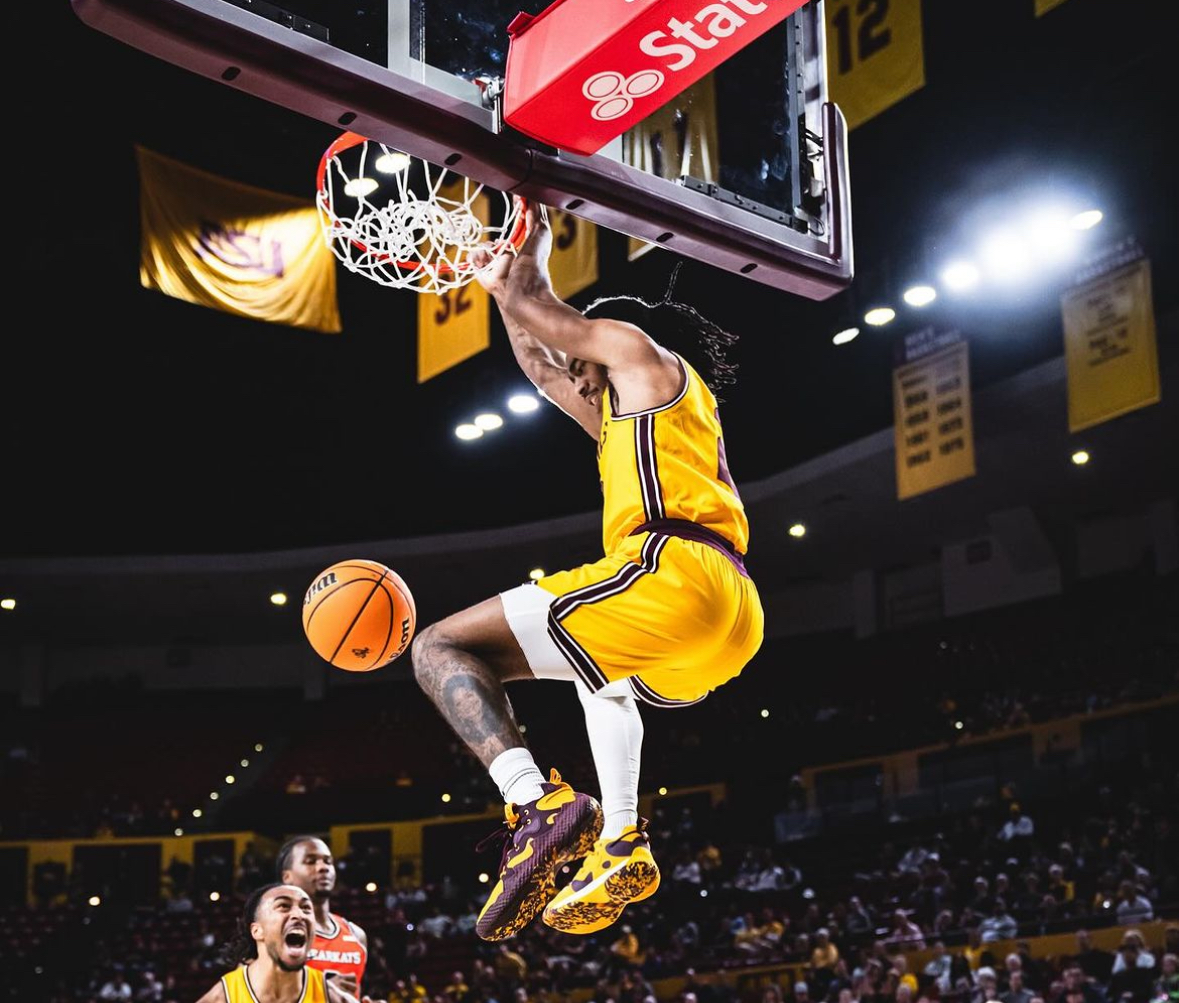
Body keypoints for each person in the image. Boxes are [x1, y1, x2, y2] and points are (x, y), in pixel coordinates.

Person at [411, 204, 764, 941]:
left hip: (674, 571)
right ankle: (623, 840)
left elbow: (543, 313)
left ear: (602, 338)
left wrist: (526, 248)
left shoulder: (638, 352)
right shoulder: (634, 415)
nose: (572, 369)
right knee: (599, 674)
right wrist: (497, 288)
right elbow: (542, 368)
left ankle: (532, 804)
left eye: (581, 355)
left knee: (441, 647)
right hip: (728, 614)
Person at [195, 883, 369, 1003]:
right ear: (257, 931)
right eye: (284, 906)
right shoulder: (224, 997)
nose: (299, 915)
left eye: (306, 908)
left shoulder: (333, 998)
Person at [277, 836, 369, 998]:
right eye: (310, 861)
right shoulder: (273, 932)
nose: (322, 867)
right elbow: (243, 992)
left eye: (328, 861)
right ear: (287, 877)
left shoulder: (356, 935)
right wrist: (319, 989)